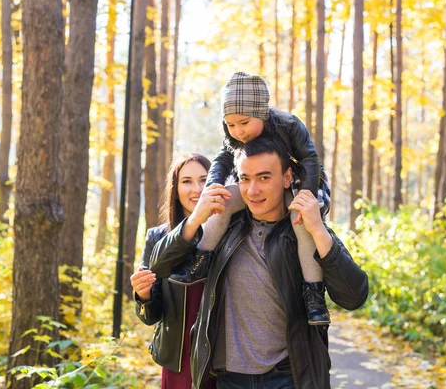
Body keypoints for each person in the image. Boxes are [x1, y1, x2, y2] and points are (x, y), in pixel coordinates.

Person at [149, 137, 369, 389]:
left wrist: (318, 230)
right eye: (245, 179)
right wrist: (196, 216)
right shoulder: (223, 227)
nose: (252, 191)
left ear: (287, 178)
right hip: (229, 378)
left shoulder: (304, 231)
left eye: (264, 178)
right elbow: (160, 266)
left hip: (290, 375)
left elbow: (354, 296)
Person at [169, 71, 333, 326]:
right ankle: (201, 259)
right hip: (253, 185)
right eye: (231, 125)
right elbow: (223, 159)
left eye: (244, 123)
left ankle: (314, 294)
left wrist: (306, 195)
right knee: (221, 202)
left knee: (301, 223)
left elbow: (310, 159)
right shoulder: (233, 137)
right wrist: (213, 187)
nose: (238, 132)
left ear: (261, 112)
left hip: (299, 182)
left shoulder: (288, 125)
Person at [130, 153, 216, 389]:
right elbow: (151, 316)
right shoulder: (157, 237)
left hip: (221, 357)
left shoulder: (226, 235)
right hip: (179, 358)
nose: (196, 189)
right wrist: (144, 294)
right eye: (186, 181)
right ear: (175, 189)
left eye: (204, 180)